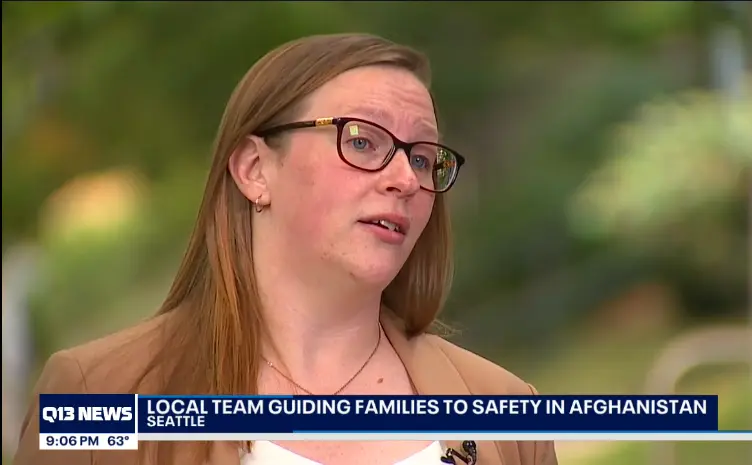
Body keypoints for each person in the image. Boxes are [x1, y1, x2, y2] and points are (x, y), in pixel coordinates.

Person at [13, 33, 558, 465]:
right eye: (364, 140)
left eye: (421, 157)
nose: (405, 178)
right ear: (254, 171)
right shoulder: (103, 397)